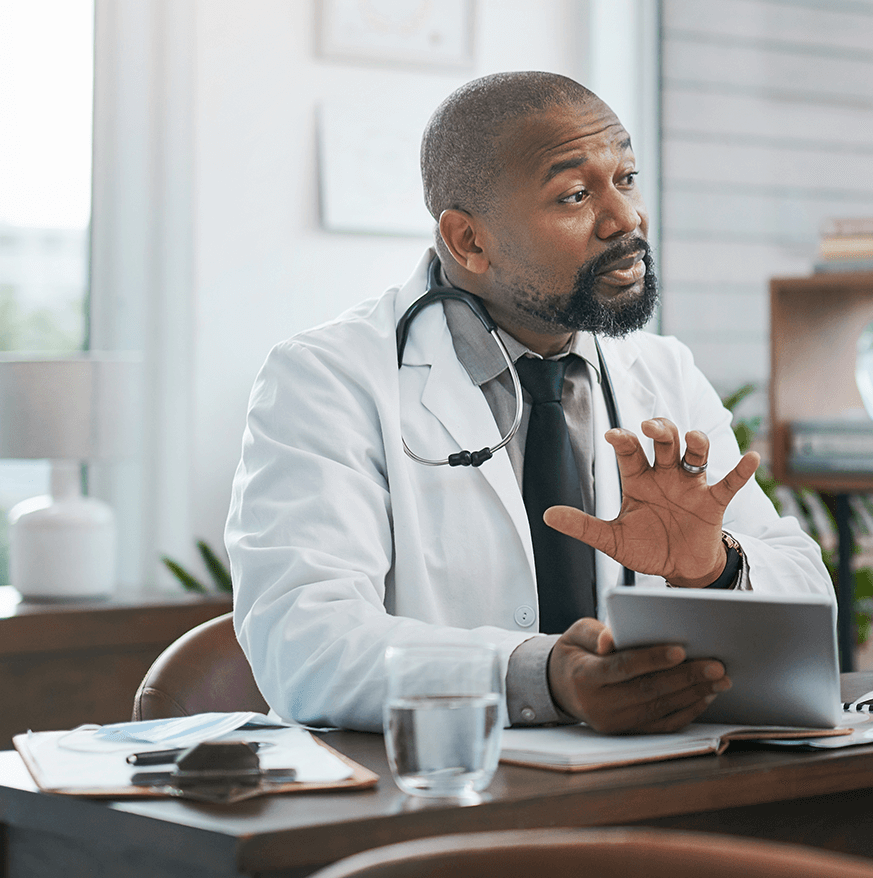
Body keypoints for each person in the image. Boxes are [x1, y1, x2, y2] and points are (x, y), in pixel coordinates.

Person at [226, 71, 833, 735]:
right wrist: (543, 676)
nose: (626, 218)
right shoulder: (327, 379)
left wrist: (714, 563)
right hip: (442, 798)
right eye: (575, 194)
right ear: (469, 241)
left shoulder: (663, 372)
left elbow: (808, 594)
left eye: (626, 178)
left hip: (654, 783)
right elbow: (306, 640)